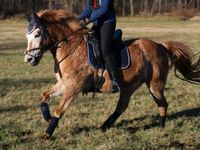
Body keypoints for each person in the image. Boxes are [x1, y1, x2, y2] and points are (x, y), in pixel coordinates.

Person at [78, 0, 121, 93]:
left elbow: (104, 9)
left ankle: (115, 81)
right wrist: (76, 19)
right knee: (88, 44)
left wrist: (88, 19)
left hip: (108, 23)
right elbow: (88, 10)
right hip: (97, 24)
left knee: (105, 50)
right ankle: (94, 77)